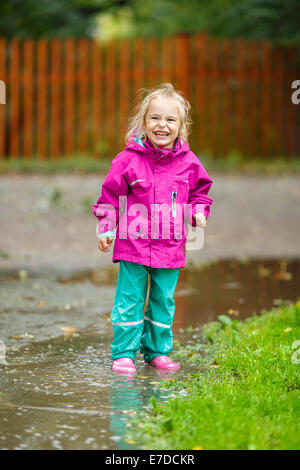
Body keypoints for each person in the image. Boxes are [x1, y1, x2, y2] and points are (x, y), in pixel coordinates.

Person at [92, 83, 213, 374]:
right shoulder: (128, 160)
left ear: (181, 127)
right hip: (132, 245)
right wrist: (107, 228)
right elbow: (109, 196)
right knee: (129, 301)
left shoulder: (189, 163)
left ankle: (157, 351)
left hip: (170, 247)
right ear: (143, 122)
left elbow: (200, 193)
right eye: (155, 118)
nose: (162, 125)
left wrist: (198, 211)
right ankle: (123, 353)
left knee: (163, 301)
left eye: (170, 120)